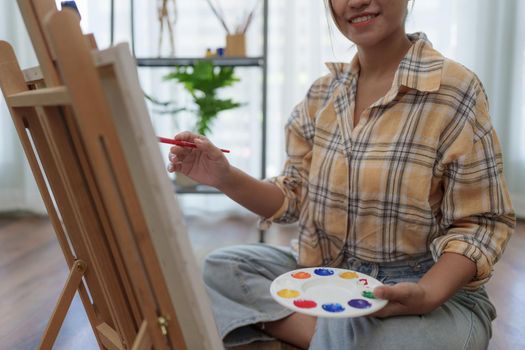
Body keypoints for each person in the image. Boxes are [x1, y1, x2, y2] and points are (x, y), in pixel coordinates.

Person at [167, 0, 515, 348]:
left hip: (428, 289)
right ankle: (335, 335)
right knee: (223, 268)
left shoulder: (454, 89)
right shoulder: (322, 94)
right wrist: (223, 176)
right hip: (325, 274)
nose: (354, 2)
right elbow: (293, 197)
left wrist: (426, 294)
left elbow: (480, 224)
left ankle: (330, 334)